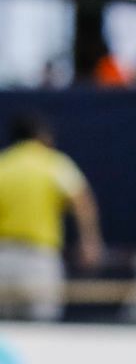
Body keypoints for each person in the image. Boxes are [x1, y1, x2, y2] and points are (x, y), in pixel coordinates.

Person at [0, 112, 104, 321]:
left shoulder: (4, 165)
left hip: (3, 257)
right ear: (41, 136)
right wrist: (90, 243)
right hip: (38, 259)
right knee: (42, 333)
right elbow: (81, 200)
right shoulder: (53, 163)